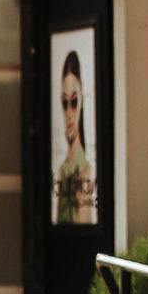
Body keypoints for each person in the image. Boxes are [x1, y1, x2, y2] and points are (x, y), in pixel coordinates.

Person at [55, 48, 96, 225]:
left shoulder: (85, 171)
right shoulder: (61, 171)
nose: (69, 113)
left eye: (74, 102)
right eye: (65, 103)